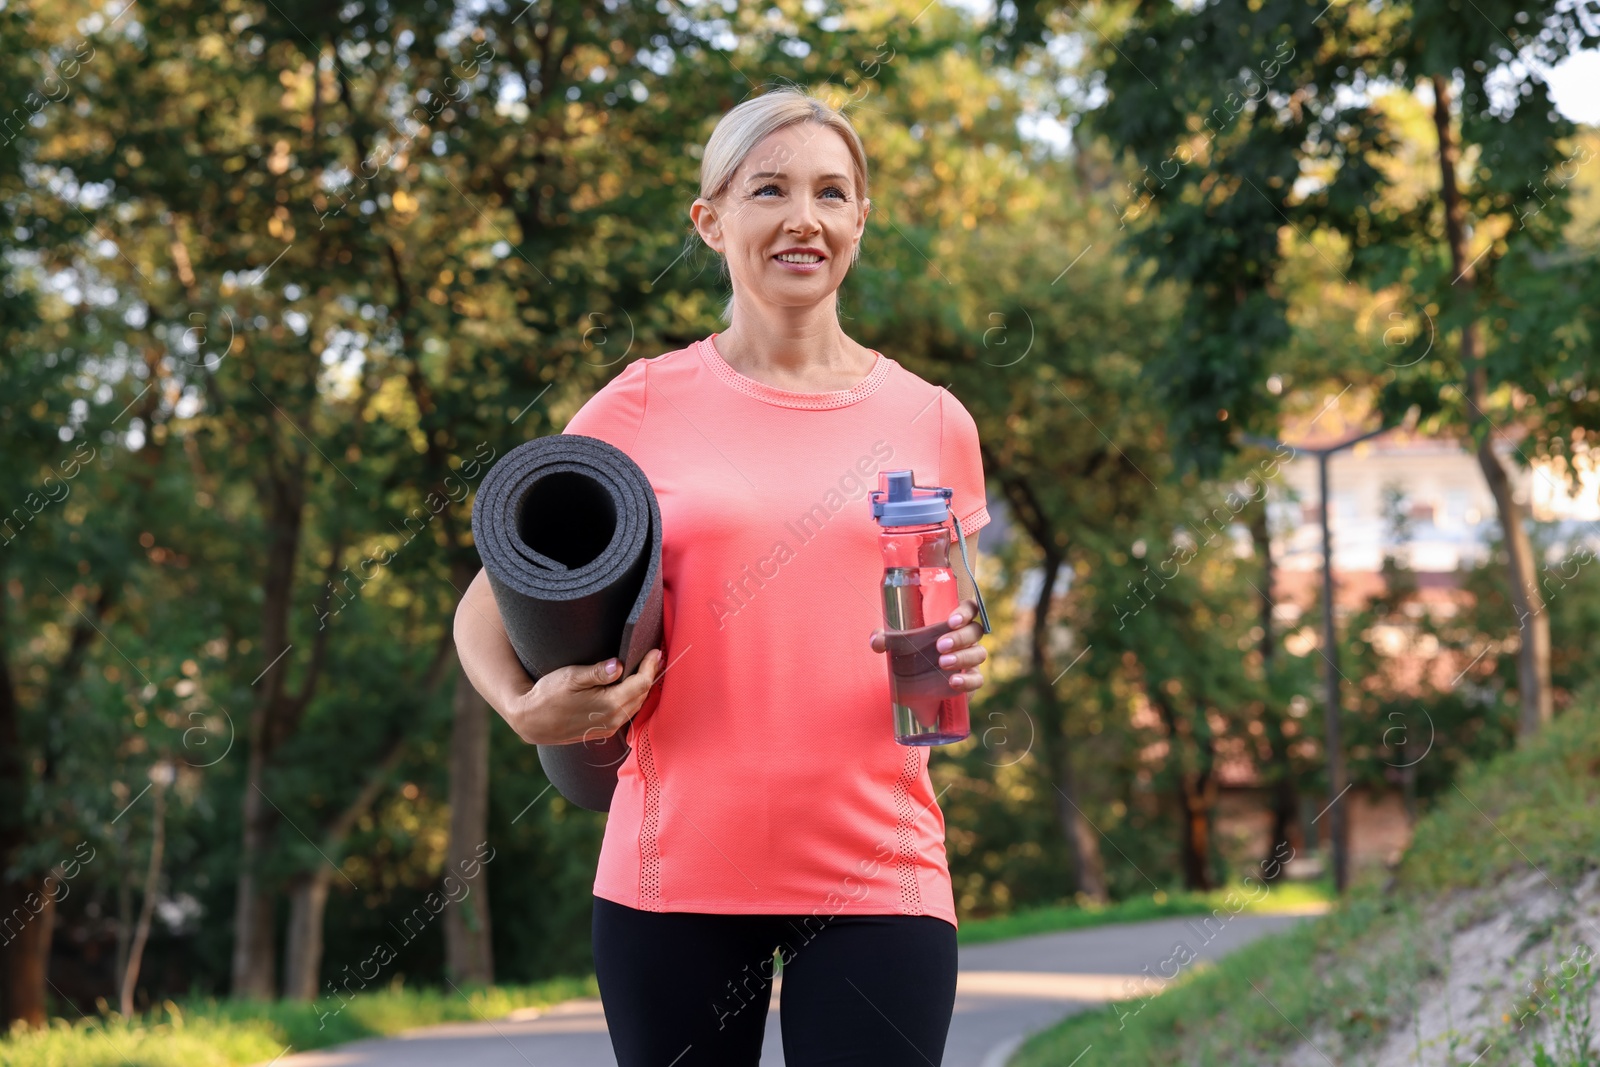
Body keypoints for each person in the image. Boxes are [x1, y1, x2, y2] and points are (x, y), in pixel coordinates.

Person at [453, 84, 991, 1067]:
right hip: (673, 877)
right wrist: (521, 703)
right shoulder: (639, 404)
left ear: (860, 219)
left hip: (882, 872)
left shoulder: (935, 419)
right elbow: (490, 596)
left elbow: (947, 636)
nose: (803, 218)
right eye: (768, 189)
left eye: (831, 193)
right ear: (710, 220)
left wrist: (963, 657)